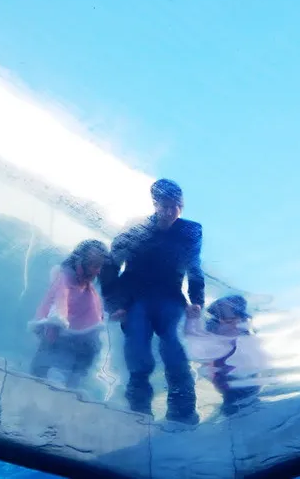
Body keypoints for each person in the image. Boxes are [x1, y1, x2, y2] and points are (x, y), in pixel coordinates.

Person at [101, 179, 204, 424]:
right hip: (135, 298)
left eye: (175, 206)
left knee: (173, 347)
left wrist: (196, 300)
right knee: (138, 349)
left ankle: (183, 412)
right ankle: (139, 412)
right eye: (164, 206)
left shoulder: (191, 231)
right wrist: (115, 304)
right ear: (155, 204)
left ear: (182, 205)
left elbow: (194, 266)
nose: (170, 212)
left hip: (170, 296)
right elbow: (111, 266)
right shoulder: (136, 230)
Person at [28, 240, 108, 389]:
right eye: (94, 265)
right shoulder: (64, 279)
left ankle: (65, 385)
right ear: (80, 263)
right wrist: (57, 321)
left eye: (100, 266)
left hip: (77, 341)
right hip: (58, 335)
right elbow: (60, 300)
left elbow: (96, 316)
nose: (98, 271)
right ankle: (42, 382)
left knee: (81, 360)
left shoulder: (89, 290)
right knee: (47, 365)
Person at [201, 295, 262, 416]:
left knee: (245, 401)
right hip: (228, 377)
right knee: (234, 402)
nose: (229, 321)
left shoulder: (244, 330)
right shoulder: (216, 329)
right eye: (223, 315)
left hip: (243, 377)